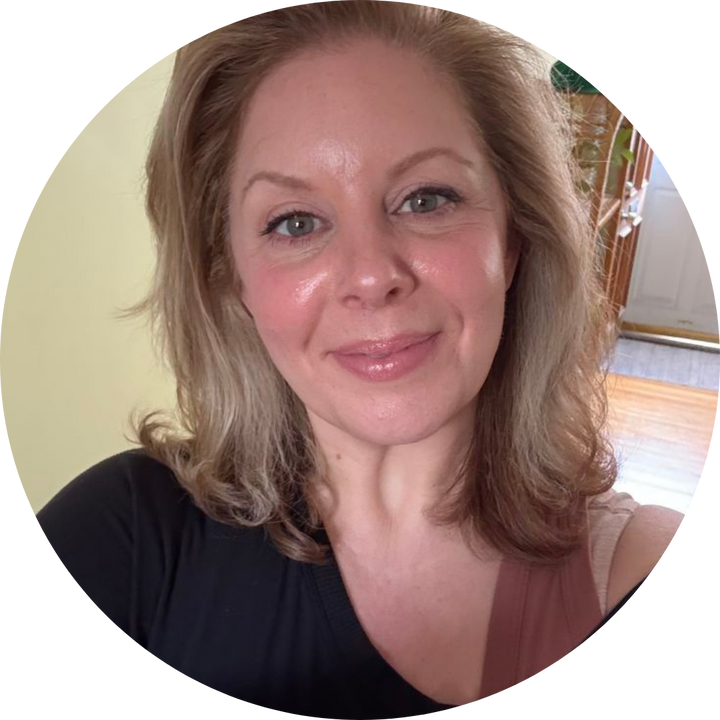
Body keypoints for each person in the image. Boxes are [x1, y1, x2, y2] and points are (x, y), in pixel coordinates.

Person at [34, 2, 685, 718]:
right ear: (232, 281)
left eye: (426, 199)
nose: (372, 275)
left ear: (514, 241)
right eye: (295, 223)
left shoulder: (629, 569)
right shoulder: (125, 538)